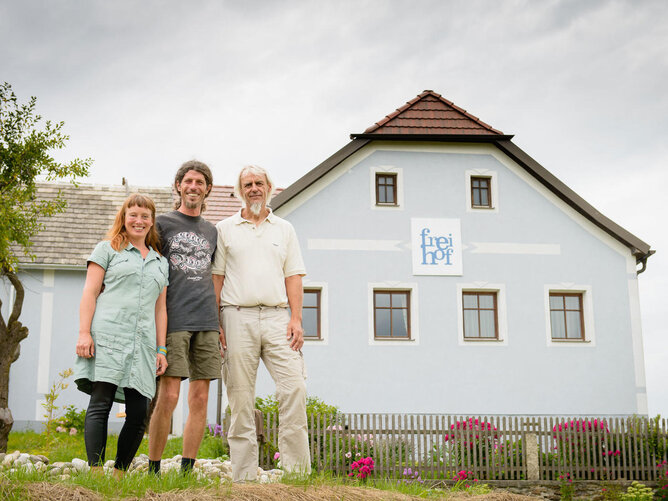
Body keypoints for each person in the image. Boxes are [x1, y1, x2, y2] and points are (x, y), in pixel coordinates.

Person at [212, 165, 311, 482]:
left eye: (259, 183)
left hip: (277, 317)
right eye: (247, 184)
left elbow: (293, 275)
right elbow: (217, 278)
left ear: (270, 187)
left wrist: (296, 318)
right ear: (240, 191)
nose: (253, 188)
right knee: (240, 398)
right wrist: (217, 323)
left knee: (294, 387)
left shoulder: (284, 229)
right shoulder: (225, 229)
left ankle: (296, 474)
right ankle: (243, 478)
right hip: (236, 314)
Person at [74, 193, 169, 478]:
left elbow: (161, 309)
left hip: (142, 345)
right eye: (133, 215)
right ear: (124, 218)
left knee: (139, 412)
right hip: (108, 336)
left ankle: (119, 473)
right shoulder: (107, 250)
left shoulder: (160, 263)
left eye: (145, 216)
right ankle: (94, 471)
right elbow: (89, 293)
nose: (139, 221)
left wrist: (161, 350)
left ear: (151, 222)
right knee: (100, 402)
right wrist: (83, 333)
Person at [147, 160, 223, 475]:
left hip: (206, 319)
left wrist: (218, 322)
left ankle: (187, 469)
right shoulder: (162, 223)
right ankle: (153, 466)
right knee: (169, 394)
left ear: (207, 190)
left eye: (200, 182)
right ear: (179, 185)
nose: (193, 187)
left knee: (201, 396)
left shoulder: (211, 231)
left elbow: (215, 277)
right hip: (173, 318)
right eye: (188, 181)